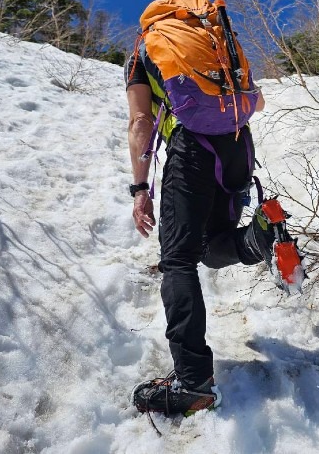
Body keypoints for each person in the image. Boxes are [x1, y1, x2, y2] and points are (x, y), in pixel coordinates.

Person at [124, 31, 275, 416]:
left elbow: (141, 119)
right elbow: (255, 101)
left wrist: (140, 188)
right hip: (239, 147)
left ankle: (193, 383)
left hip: (192, 151)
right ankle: (257, 237)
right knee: (212, 246)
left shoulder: (143, 56)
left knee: (178, 260)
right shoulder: (218, 43)